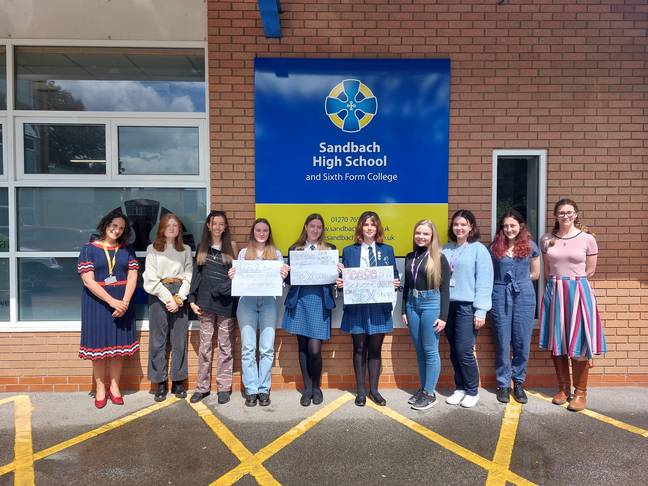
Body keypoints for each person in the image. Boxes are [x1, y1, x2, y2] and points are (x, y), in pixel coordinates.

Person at [539, 198, 605, 412]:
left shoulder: (587, 239)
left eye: (569, 212)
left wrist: (572, 283)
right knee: (557, 341)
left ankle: (580, 392)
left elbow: (591, 270)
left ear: (576, 214)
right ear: (556, 216)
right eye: (561, 212)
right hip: (555, 290)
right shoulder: (547, 239)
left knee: (579, 342)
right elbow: (548, 269)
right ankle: (563, 389)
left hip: (578, 290)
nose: (565, 215)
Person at [336, 211, 400, 407]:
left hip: (378, 308)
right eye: (366, 224)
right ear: (360, 228)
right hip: (357, 308)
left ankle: (374, 390)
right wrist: (340, 282)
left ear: (377, 227)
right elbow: (345, 279)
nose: (369, 228)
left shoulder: (387, 250)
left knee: (375, 350)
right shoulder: (349, 251)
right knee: (359, 348)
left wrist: (395, 282)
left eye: (373, 224)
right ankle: (361, 392)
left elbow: (394, 275)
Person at [77, 209, 139, 408]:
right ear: (105, 225)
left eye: (121, 228)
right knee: (99, 348)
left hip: (123, 304)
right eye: (114, 226)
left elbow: (132, 277)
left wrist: (125, 303)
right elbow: (88, 281)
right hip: (97, 304)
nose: (117, 230)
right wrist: (112, 301)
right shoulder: (88, 249)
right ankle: (100, 388)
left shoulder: (127, 250)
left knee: (118, 350)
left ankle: (115, 387)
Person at [229, 218, 288, 407]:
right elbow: (238, 278)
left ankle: (264, 388)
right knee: (248, 348)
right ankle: (251, 388)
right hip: (247, 302)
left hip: (269, 302)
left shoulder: (276, 254)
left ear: (269, 233)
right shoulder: (244, 253)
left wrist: (283, 275)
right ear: (252, 232)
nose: (261, 233)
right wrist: (233, 275)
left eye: (265, 230)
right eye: (258, 230)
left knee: (266, 348)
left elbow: (280, 282)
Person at [282, 214, 336, 407]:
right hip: (300, 301)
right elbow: (290, 281)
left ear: (322, 230)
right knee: (303, 347)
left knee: (315, 349)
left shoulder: (329, 250)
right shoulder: (295, 249)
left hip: (320, 302)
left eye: (319, 227)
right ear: (305, 227)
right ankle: (307, 389)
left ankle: (317, 387)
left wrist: (338, 272)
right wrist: (285, 275)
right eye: (312, 226)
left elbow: (333, 279)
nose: (315, 230)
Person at [442, 209, 493, 408]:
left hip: (467, 307)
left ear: (471, 227)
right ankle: (460, 388)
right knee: (454, 350)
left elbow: (484, 281)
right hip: (448, 306)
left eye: (463, 224)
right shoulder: (445, 249)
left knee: (464, 349)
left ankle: (472, 390)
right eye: (456, 224)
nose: (459, 228)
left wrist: (481, 310)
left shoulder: (478, 249)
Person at [489, 210, 540, 404]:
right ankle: (503, 384)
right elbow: (489, 272)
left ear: (520, 226)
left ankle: (518, 382)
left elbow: (535, 273)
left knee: (522, 341)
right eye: (506, 226)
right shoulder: (494, 247)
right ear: (502, 228)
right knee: (502, 341)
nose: (509, 229)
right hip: (500, 293)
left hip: (524, 295)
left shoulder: (530, 246)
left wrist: (520, 281)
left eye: (513, 225)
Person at [187, 210, 239, 404]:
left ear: (225, 227)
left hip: (226, 303)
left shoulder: (232, 247)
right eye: (214, 223)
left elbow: (237, 276)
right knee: (205, 347)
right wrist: (191, 299)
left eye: (221, 224)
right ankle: (202, 387)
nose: (217, 227)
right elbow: (196, 276)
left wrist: (230, 281)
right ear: (208, 225)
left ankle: (224, 388)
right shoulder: (202, 247)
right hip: (204, 303)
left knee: (225, 346)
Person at [143, 213, 193, 402]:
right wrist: (167, 298)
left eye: (176, 225)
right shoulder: (152, 249)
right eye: (168, 225)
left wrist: (179, 298)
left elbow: (189, 274)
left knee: (179, 340)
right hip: (158, 294)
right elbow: (150, 278)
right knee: (158, 341)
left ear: (179, 229)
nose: (172, 228)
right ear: (162, 228)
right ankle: (160, 382)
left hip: (180, 292)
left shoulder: (185, 249)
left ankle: (178, 381)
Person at [402, 220, 450, 411]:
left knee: (430, 350)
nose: (421, 236)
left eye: (426, 234)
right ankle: (423, 389)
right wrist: (403, 310)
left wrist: (443, 316)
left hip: (431, 304)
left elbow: (445, 290)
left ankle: (430, 393)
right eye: (418, 233)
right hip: (412, 304)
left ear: (432, 237)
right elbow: (407, 285)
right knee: (419, 349)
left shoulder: (439, 258)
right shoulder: (410, 256)